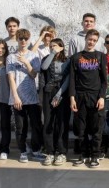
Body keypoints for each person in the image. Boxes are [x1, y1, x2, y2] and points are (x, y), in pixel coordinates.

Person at [69, 29, 108, 168]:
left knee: (97, 127)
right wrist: (72, 98)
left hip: (95, 96)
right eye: (89, 39)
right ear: (85, 39)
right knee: (81, 128)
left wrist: (102, 97)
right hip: (80, 96)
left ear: (96, 42)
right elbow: (72, 80)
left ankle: (95, 155)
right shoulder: (76, 57)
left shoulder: (101, 56)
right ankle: (84, 154)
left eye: (94, 40)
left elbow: (104, 80)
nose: (91, 42)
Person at [7, 29, 43, 163]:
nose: (23, 41)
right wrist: (15, 97)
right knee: (21, 127)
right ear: (17, 39)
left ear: (29, 40)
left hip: (32, 97)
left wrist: (26, 63)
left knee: (36, 125)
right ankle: (22, 151)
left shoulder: (33, 56)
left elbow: (34, 75)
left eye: (25, 39)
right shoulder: (10, 57)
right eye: (21, 39)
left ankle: (35, 149)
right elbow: (11, 78)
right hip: (18, 98)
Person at [40, 38, 71, 166]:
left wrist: (59, 95)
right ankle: (50, 152)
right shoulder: (47, 58)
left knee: (62, 122)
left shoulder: (67, 60)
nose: (53, 47)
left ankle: (62, 152)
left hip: (62, 92)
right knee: (48, 122)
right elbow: (44, 67)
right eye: (51, 46)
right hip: (49, 91)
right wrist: (52, 53)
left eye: (56, 46)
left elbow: (68, 79)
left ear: (62, 47)